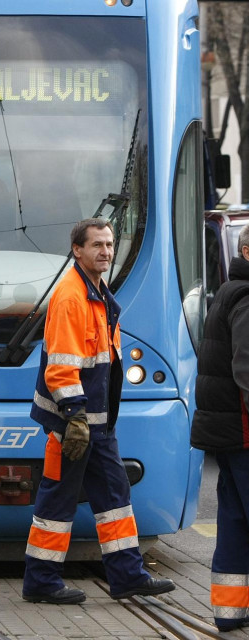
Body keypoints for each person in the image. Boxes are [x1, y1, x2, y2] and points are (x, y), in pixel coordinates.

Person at [23, 218, 175, 604]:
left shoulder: (98, 290)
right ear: (77, 250)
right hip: (72, 423)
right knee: (57, 501)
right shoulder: (72, 296)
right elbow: (60, 367)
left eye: (109, 244)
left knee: (114, 495)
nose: (106, 251)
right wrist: (73, 417)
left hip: (96, 423)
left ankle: (128, 576)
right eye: (97, 245)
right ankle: (41, 582)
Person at [191, 223, 249, 632]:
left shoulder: (229, 292)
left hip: (228, 434)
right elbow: (246, 369)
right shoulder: (247, 297)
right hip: (244, 432)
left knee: (233, 521)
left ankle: (229, 613)